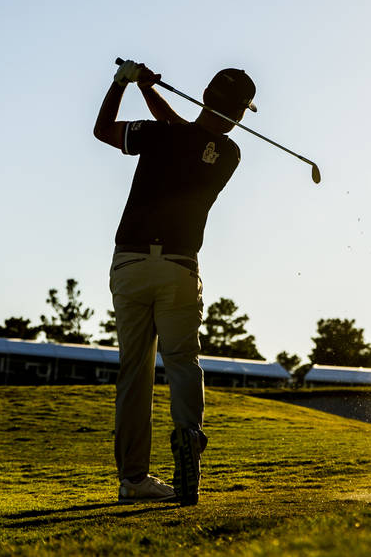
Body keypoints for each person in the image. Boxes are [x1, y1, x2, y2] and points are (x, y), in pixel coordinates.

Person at [93, 59, 256, 505]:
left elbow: (103, 130)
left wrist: (123, 84)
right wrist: (147, 89)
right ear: (240, 115)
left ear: (204, 96)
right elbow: (189, 133)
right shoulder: (227, 154)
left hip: (130, 264)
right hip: (180, 267)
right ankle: (188, 437)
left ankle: (133, 478)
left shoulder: (158, 135)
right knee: (182, 361)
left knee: (134, 372)